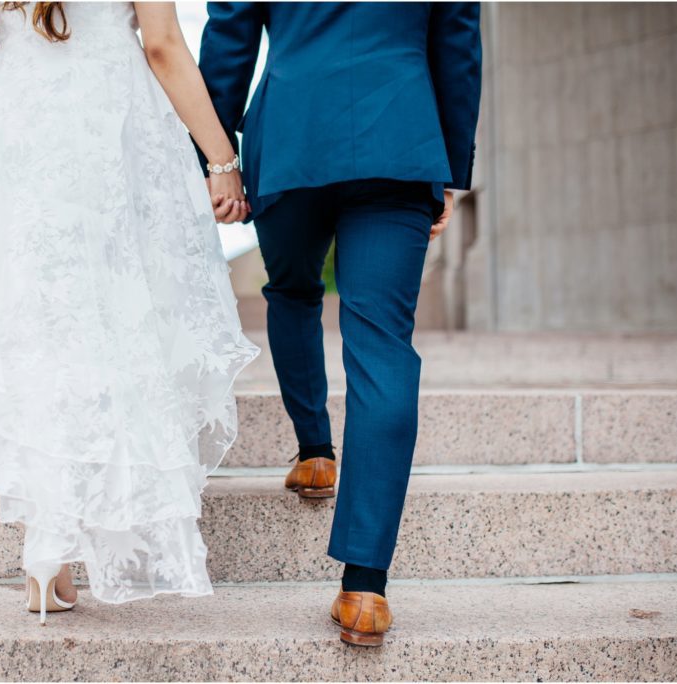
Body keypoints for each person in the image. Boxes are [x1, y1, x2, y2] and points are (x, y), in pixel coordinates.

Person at [0, 1, 259, 623]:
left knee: (38, 322)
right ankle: (72, 533)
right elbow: (162, 44)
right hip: (112, 114)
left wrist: (9, 89)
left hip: (20, 116)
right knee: (115, 314)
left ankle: (44, 552)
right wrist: (222, 159)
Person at [198, 1, 482, 646]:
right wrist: (450, 165)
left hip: (294, 133)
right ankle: (365, 589)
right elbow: (458, 45)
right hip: (401, 136)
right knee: (382, 345)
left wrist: (216, 157)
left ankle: (316, 453)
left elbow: (231, 39)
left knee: (293, 290)